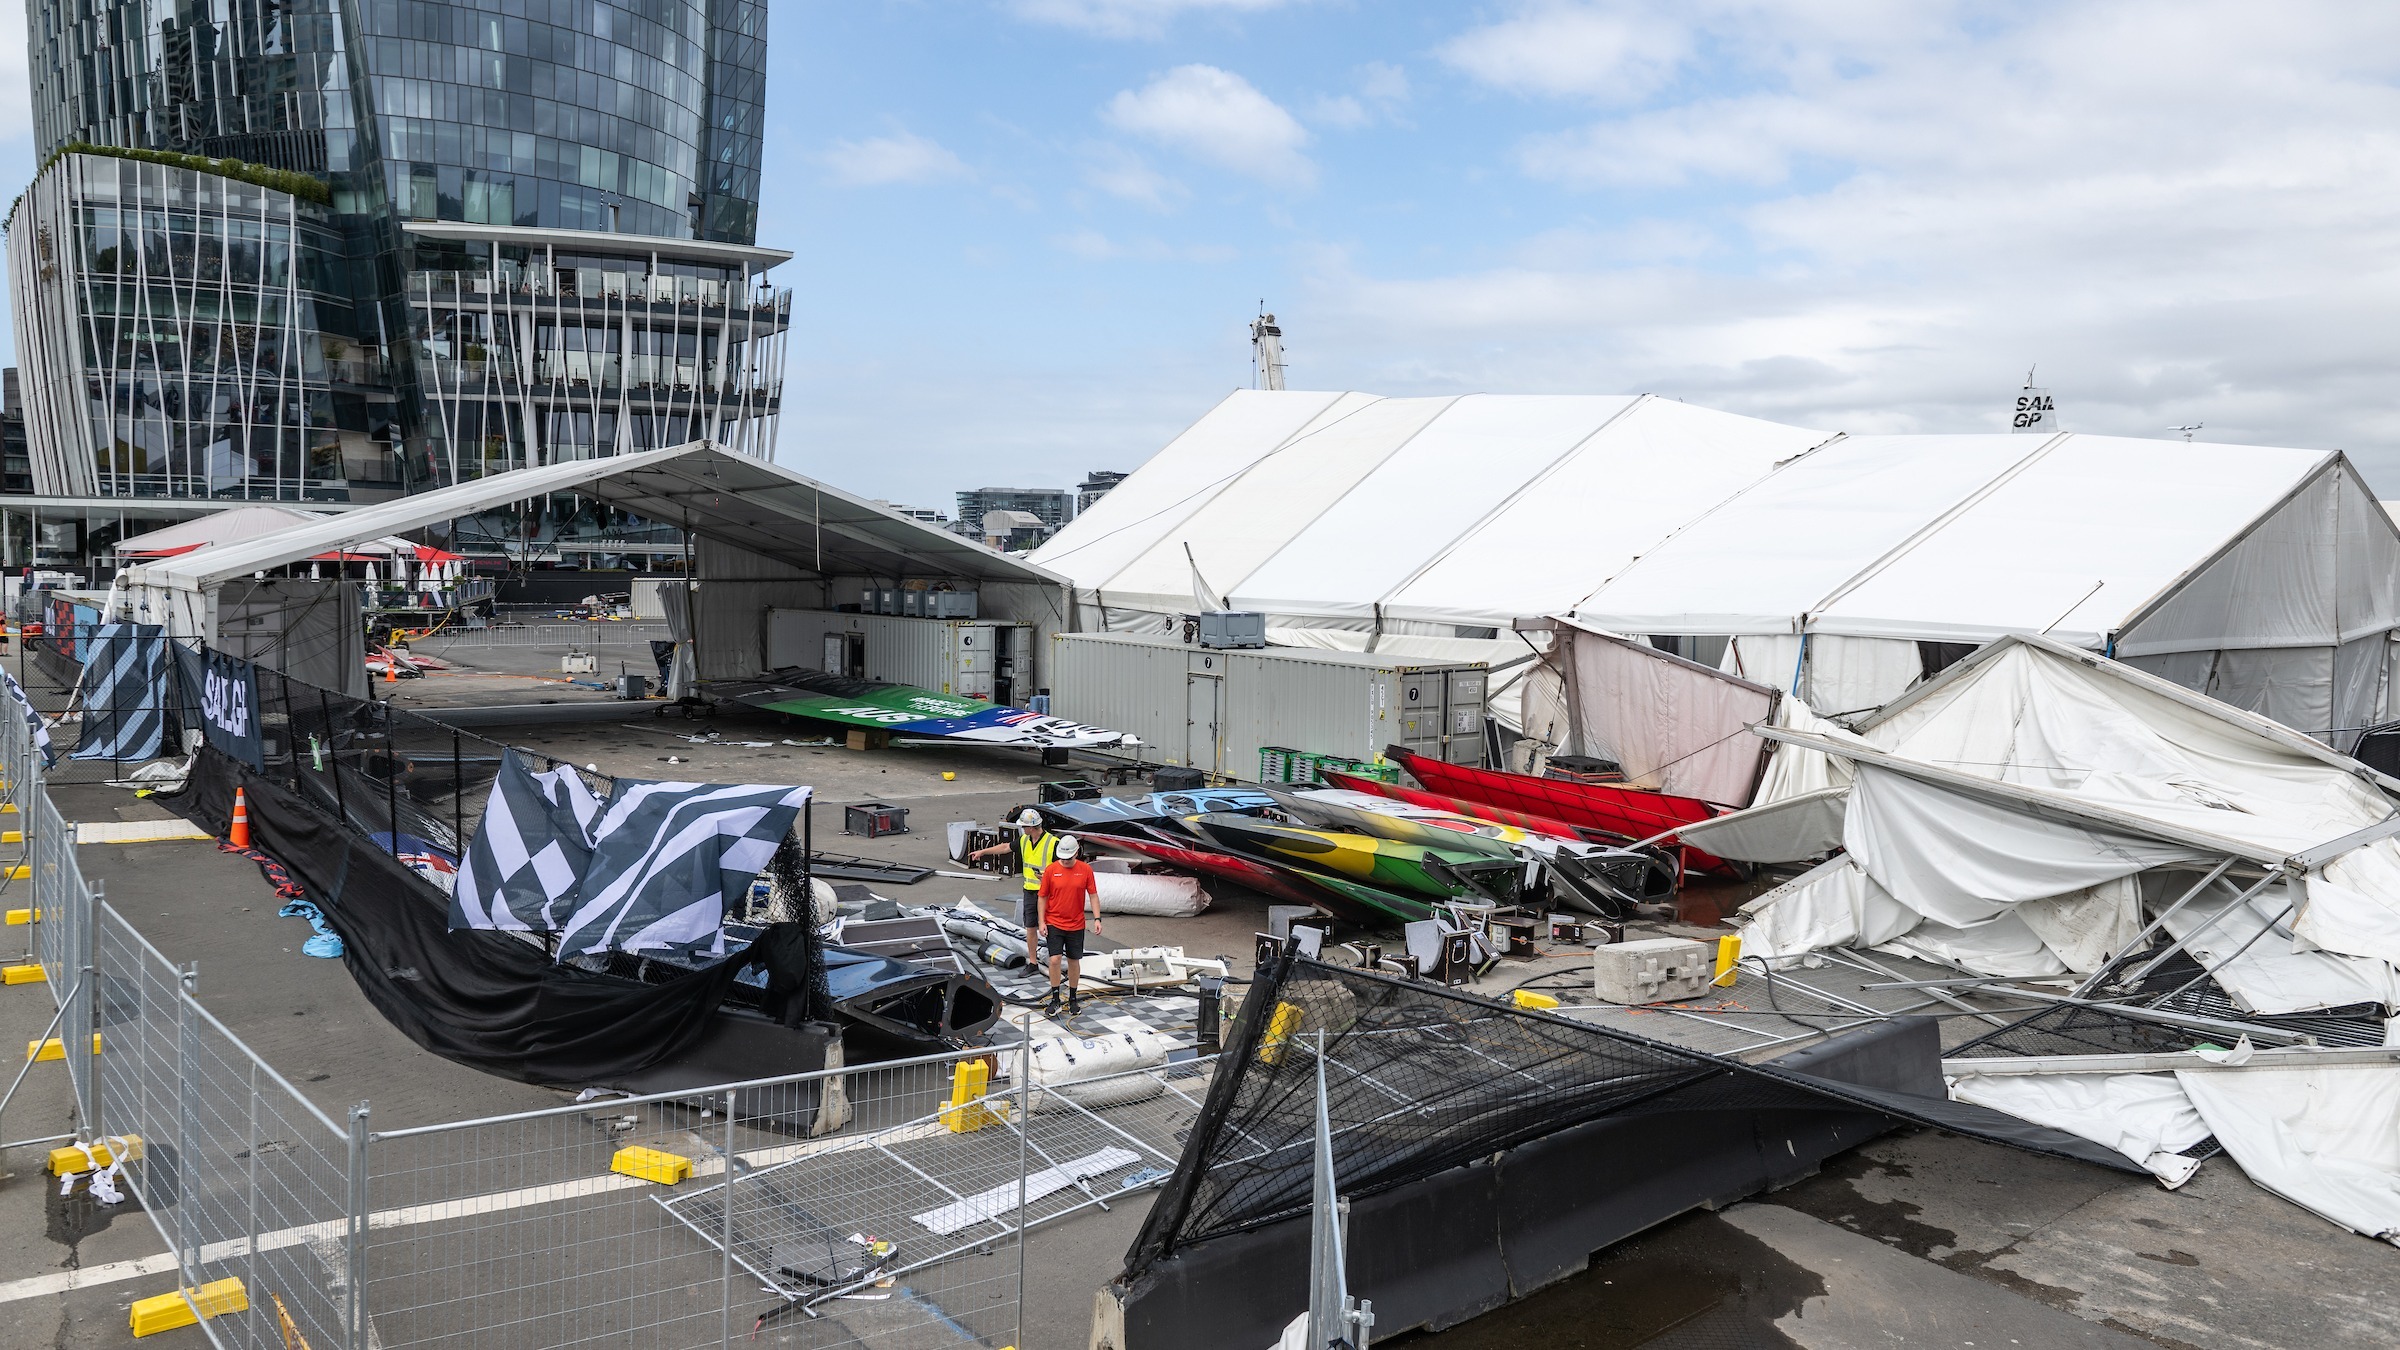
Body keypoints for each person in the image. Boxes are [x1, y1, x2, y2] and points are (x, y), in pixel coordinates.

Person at [969, 807, 1054, 966]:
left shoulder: (1053, 842)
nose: (1022, 829)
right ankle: (1033, 962)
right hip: (1029, 891)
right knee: (1030, 927)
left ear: (1032, 827)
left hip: (1048, 893)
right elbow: (1005, 847)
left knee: (1050, 929)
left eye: (1024, 826)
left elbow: (1063, 868)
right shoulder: (1024, 841)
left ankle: (1053, 961)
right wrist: (983, 852)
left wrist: (1048, 877)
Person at [1037, 834, 1100, 1016]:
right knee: (1054, 959)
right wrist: (1042, 921)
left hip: (1076, 924)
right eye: (1062, 858)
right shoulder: (1050, 871)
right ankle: (1055, 998)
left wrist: (1097, 918)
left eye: (1068, 858)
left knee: (1074, 961)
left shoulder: (1085, 870)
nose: (1064, 862)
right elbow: (1042, 897)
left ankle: (1072, 998)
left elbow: (1093, 895)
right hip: (1054, 922)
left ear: (1076, 854)